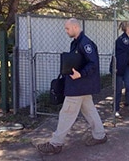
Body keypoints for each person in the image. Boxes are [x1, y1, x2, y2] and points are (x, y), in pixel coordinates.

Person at [37, 18, 107, 155]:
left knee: (66, 113)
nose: (66, 31)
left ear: (75, 27)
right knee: (90, 111)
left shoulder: (85, 43)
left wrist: (80, 74)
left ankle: (55, 144)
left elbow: (93, 63)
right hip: (81, 86)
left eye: (67, 28)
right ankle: (100, 135)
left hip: (79, 86)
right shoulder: (76, 42)